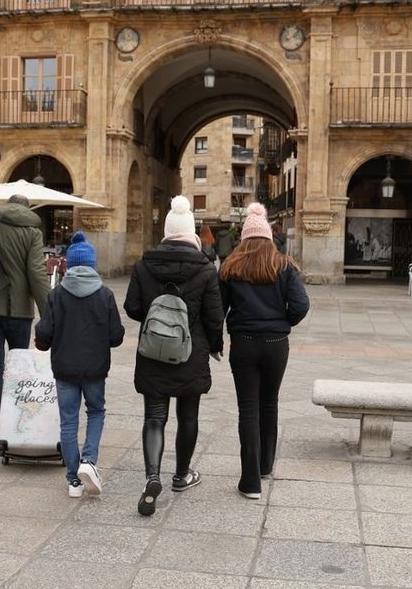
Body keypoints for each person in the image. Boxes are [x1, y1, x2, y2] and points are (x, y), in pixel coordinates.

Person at [124, 195, 224, 516]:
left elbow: (133, 308)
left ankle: (152, 476)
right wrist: (216, 345)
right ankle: (181, 475)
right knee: (188, 417)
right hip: (191, 354)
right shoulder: (206, 270)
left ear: (166, 231)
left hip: (153, 352)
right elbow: (214, 317)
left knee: (154, 417)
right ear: (190, 233)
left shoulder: (144, 265)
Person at [219, 203, 309, 500]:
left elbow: (218, 309)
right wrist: (282, 323)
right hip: (275, 345)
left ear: (244, 238)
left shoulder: (231, 266)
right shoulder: (284, 265)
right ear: (269, 237)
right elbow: (300, 306)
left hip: (243, 342)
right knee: (269, 402)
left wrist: (215, 340)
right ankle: (266, 465)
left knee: (248, 408)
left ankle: (250, 482)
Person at [34, 231, 125, 498]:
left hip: (64, 368)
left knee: (68, 421)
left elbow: (45, 335)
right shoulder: (105, 295)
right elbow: (116, 336)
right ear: (93, 265)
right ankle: (89, 461)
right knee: (96, 412)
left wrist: (40, 337)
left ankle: (73, 479)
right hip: (96, 368)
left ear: (69, 266)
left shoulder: (57, 295)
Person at [0, 194, 51, 447]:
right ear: (27, 209)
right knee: (18, 371)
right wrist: (50, 313)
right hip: (19, 312)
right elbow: (36, 273)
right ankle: (16, 427)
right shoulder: (31, 232)